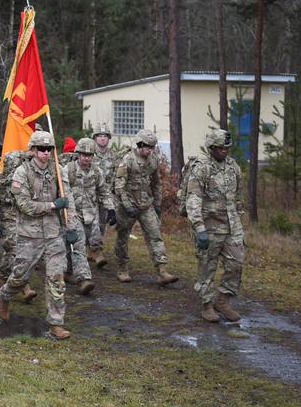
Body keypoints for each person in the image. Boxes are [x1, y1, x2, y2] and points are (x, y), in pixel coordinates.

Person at [0, 130, 79, 340]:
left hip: (53, 234)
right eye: (41, 149)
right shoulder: (22, 173)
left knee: (56, 277)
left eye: (49, 149)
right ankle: (5, 295)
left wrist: (71, 227)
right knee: (20, 276)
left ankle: (55, 323)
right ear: (32, 150)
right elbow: (25, 206)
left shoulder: (58, 172)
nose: (45, 153)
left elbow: (69, 202)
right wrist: (52, 205)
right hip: (29, 235)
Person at [185, 129, 245, 322]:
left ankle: (224, 300)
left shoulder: (233, 167)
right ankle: (207, 305)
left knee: (236, 263)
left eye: (226, 148)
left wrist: (239, 217)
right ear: (211, 148)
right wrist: (199, 227)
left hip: (231, 225)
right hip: (209, 226)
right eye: (219, 148)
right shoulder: (201, 167)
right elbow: (193, 199)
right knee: (207, 267)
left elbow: (238, 195)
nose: (224, 151)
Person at [113, 129, 178, 285]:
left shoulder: (153, 160)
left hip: (146, 204)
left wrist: (157, 204)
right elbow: (119, 186)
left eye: (152, 147)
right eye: (147, 147)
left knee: (155, 235)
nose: (150, 150)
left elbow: (156, 184)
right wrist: (127, 205)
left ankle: (162, 271)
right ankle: (122, 268)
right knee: (122, 237)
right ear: (140, 145)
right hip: (127, 205)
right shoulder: (127, 160)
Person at [64, 138, 117, 294]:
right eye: (84, 154)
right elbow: (64, 192)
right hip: (73, 214)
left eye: (89, 155)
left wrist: (111, 209)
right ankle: (84, 279)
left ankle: (67, 272)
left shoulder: (96, 172)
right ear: (78, 154)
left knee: (72, 246)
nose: (86, 158)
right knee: (79, 245)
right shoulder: (68, 170)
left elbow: (104, 191)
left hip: (90, 214)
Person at [0, 149, 37, 303]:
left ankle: (5, 276)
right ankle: (23, 284)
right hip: (8, 213)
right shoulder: (4, 169)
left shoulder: (32, 169)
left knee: (23, 249)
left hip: (25, 213)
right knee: (14, 247)